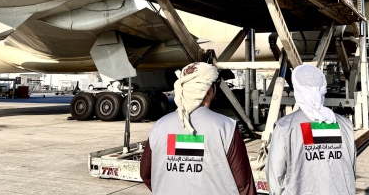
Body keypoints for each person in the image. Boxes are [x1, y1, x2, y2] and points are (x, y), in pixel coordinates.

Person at [140, 62, 256, 195]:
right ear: (209, 91)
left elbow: (146, 173)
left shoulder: (159, 126)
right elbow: (244, 185)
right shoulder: (226, 127)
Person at [266, 64, 356, 195]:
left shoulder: (285, 127)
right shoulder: (345, 124)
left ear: (297, 91)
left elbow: (275, 178)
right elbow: (351, 169)